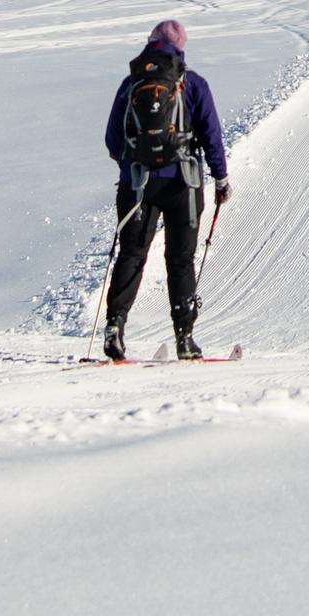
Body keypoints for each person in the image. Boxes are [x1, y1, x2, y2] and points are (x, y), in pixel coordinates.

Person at [99, 18, 227, 362]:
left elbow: (112, 139)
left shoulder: (131, 84)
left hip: (137, 185)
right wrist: (221, 178)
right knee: (180, 260)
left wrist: (133, 166)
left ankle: (115, 328)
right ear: (181, 47)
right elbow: (212, 135)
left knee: (132, 254)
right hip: (182, 184)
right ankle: (185, 338)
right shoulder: (192, 83)